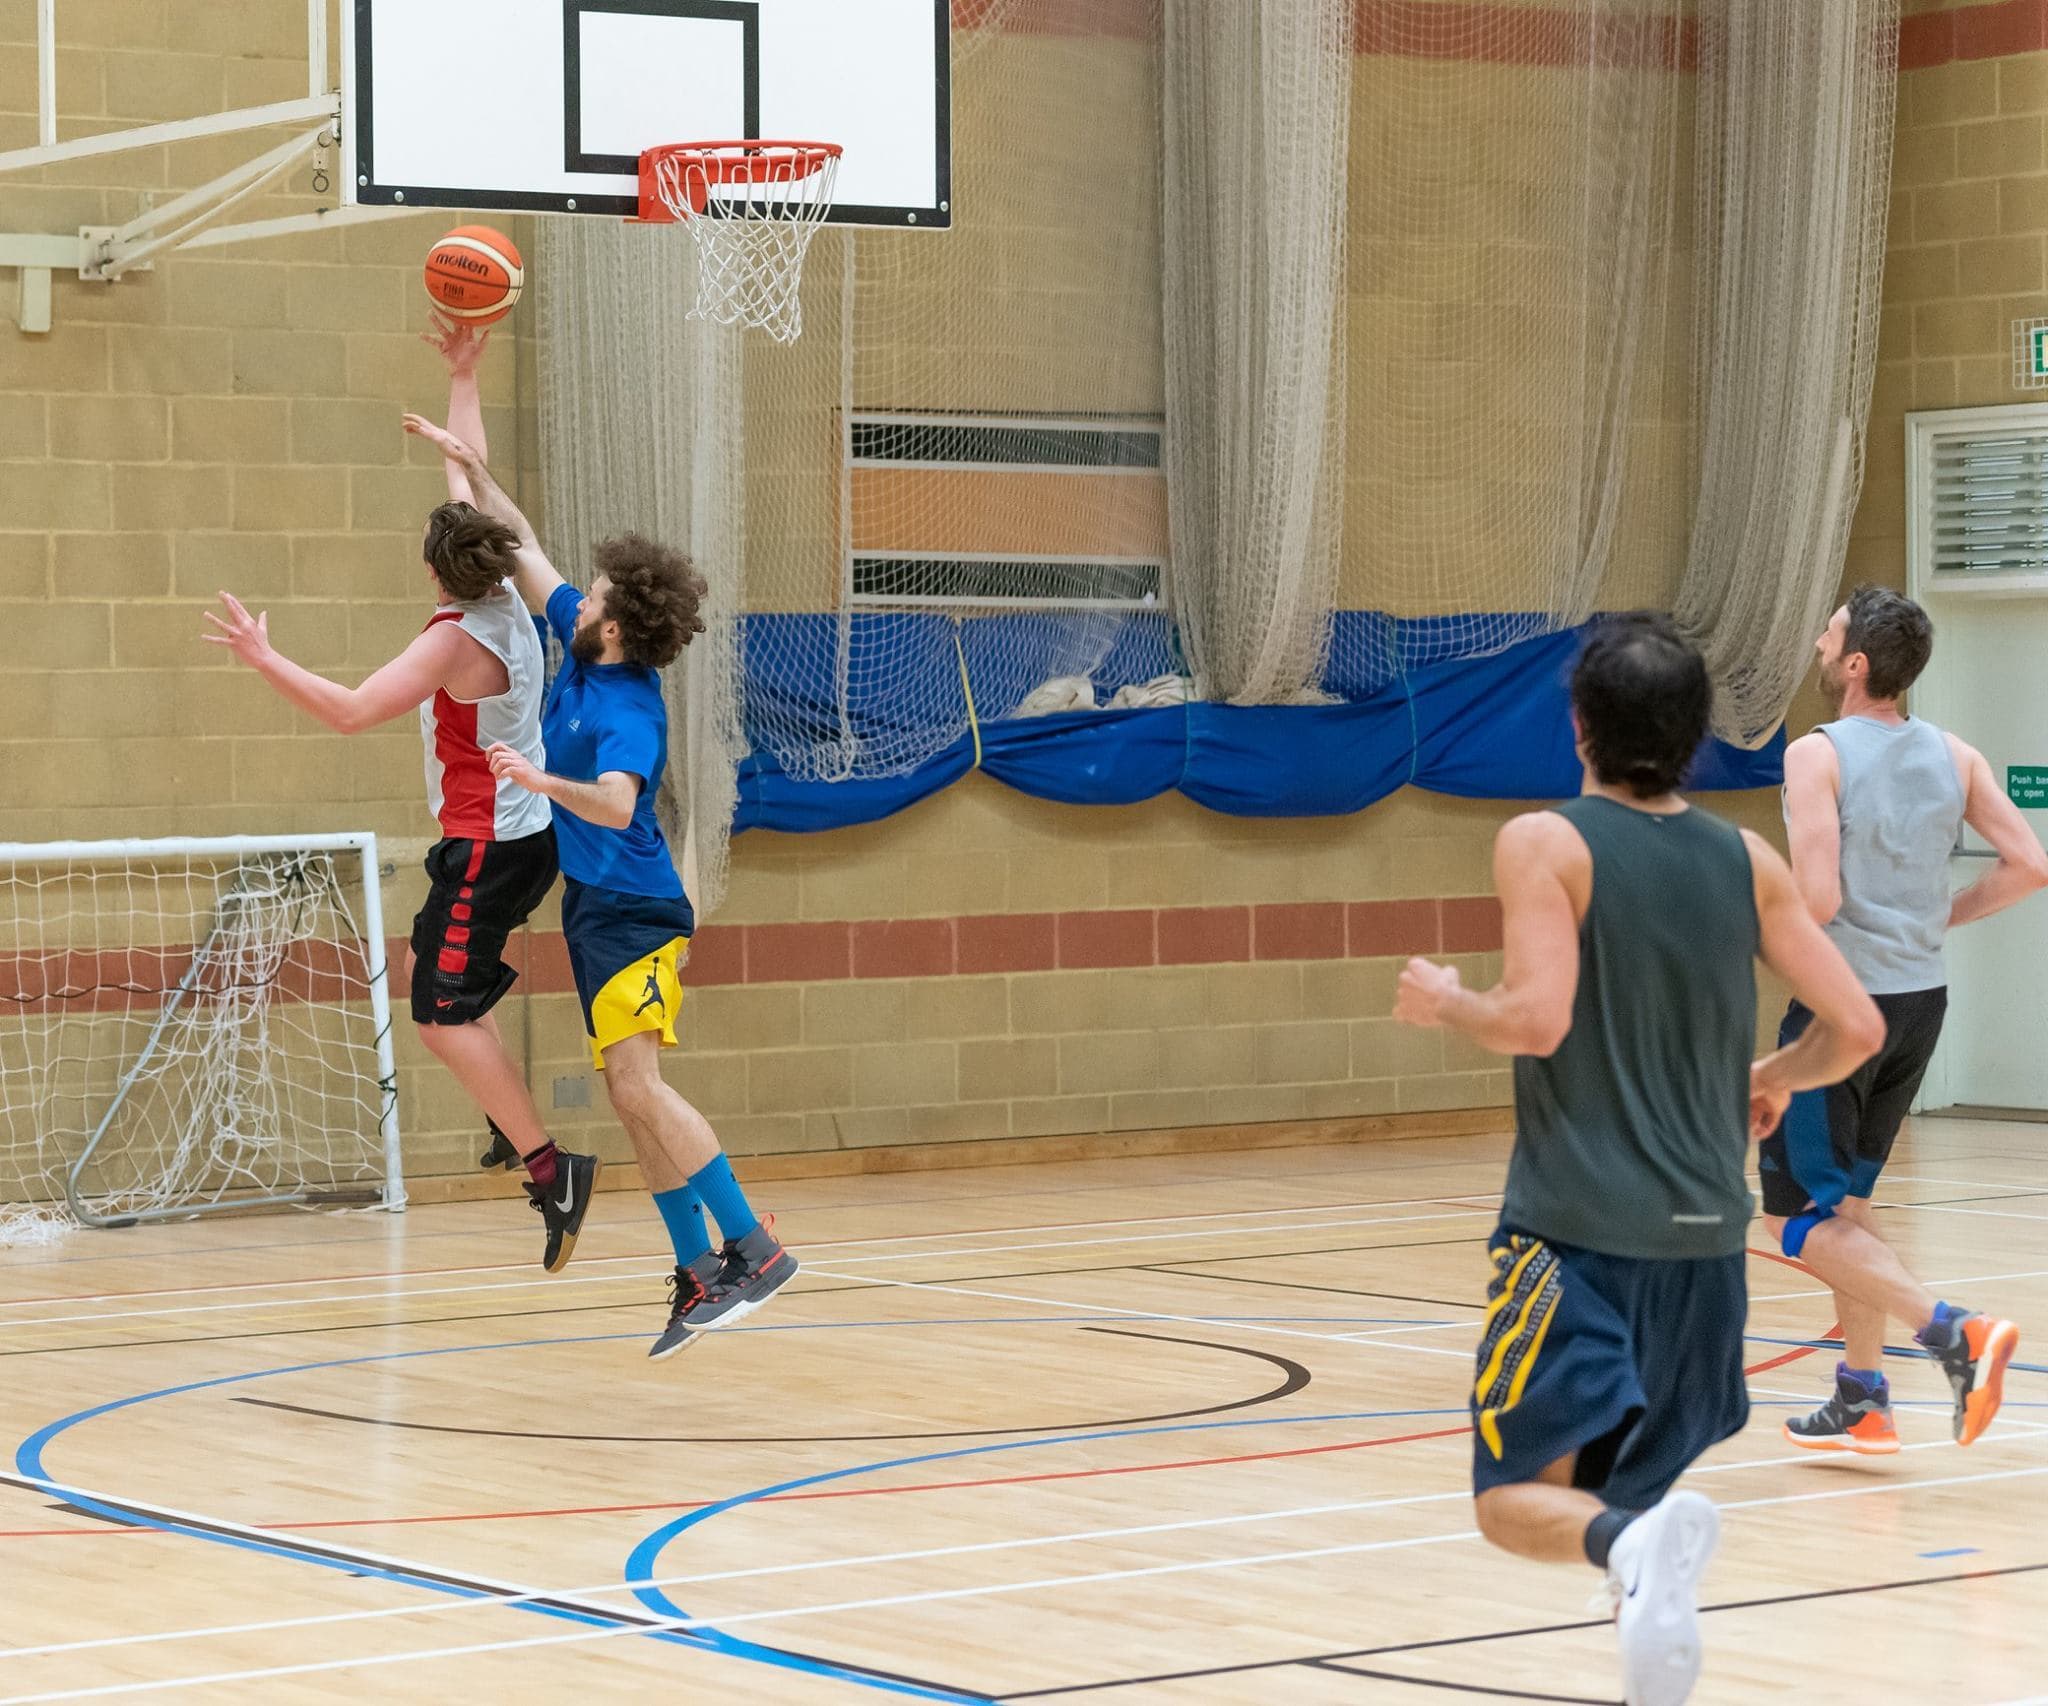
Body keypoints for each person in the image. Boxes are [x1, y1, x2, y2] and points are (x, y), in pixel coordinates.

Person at [1395, 613, 1885, 1706]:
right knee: (1625, 1508)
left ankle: (1630, 1556)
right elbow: (1853, 1029)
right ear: (1697, 733)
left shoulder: (1545, 841)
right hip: (1706, 1255)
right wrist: (1774, 1073)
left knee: (1515, 1499)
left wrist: (1445, 1001)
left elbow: (1532, 1018)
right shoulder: (1743, 856)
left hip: (1574, 1238)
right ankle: (1644, 1627)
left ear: (1576, 724)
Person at [404, 347, 796, 1360]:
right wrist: (465, 460)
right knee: (630, 1099)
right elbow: (519, 538)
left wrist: (540, 785)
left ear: (619, 622)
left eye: (597, 591)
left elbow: (618, 804)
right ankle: (697, 1269)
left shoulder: (624, 704)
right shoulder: (581, 637)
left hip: (631, 905)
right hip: (594, 907)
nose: (577, 591)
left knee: (638, 1091)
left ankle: (750, 1244)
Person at [203, 329, 600, 1274]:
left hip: (489, 846)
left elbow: (347, 713)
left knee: (436, 1013)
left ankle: (552, 1167)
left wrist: (263, 657)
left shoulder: (454, 641)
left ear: (435, 572)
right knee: (447, 979)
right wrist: (463, 378)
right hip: (519, 835)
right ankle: (509, 1124)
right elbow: (467, 473)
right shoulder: (503, 588)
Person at [1761, 587, 2036, 1454]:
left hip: (1843, 1003)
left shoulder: (1817, 754)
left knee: (1794, 1217)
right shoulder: (1954, 754)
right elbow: (2030, 863)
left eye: (1830, 631)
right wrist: (1936, 918)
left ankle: (1955, 1331)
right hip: (1921, 1001)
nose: (1816, 639)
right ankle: (1864, 1395)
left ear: (1855, 665)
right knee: (1847, 1202)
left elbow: (1819, 897)